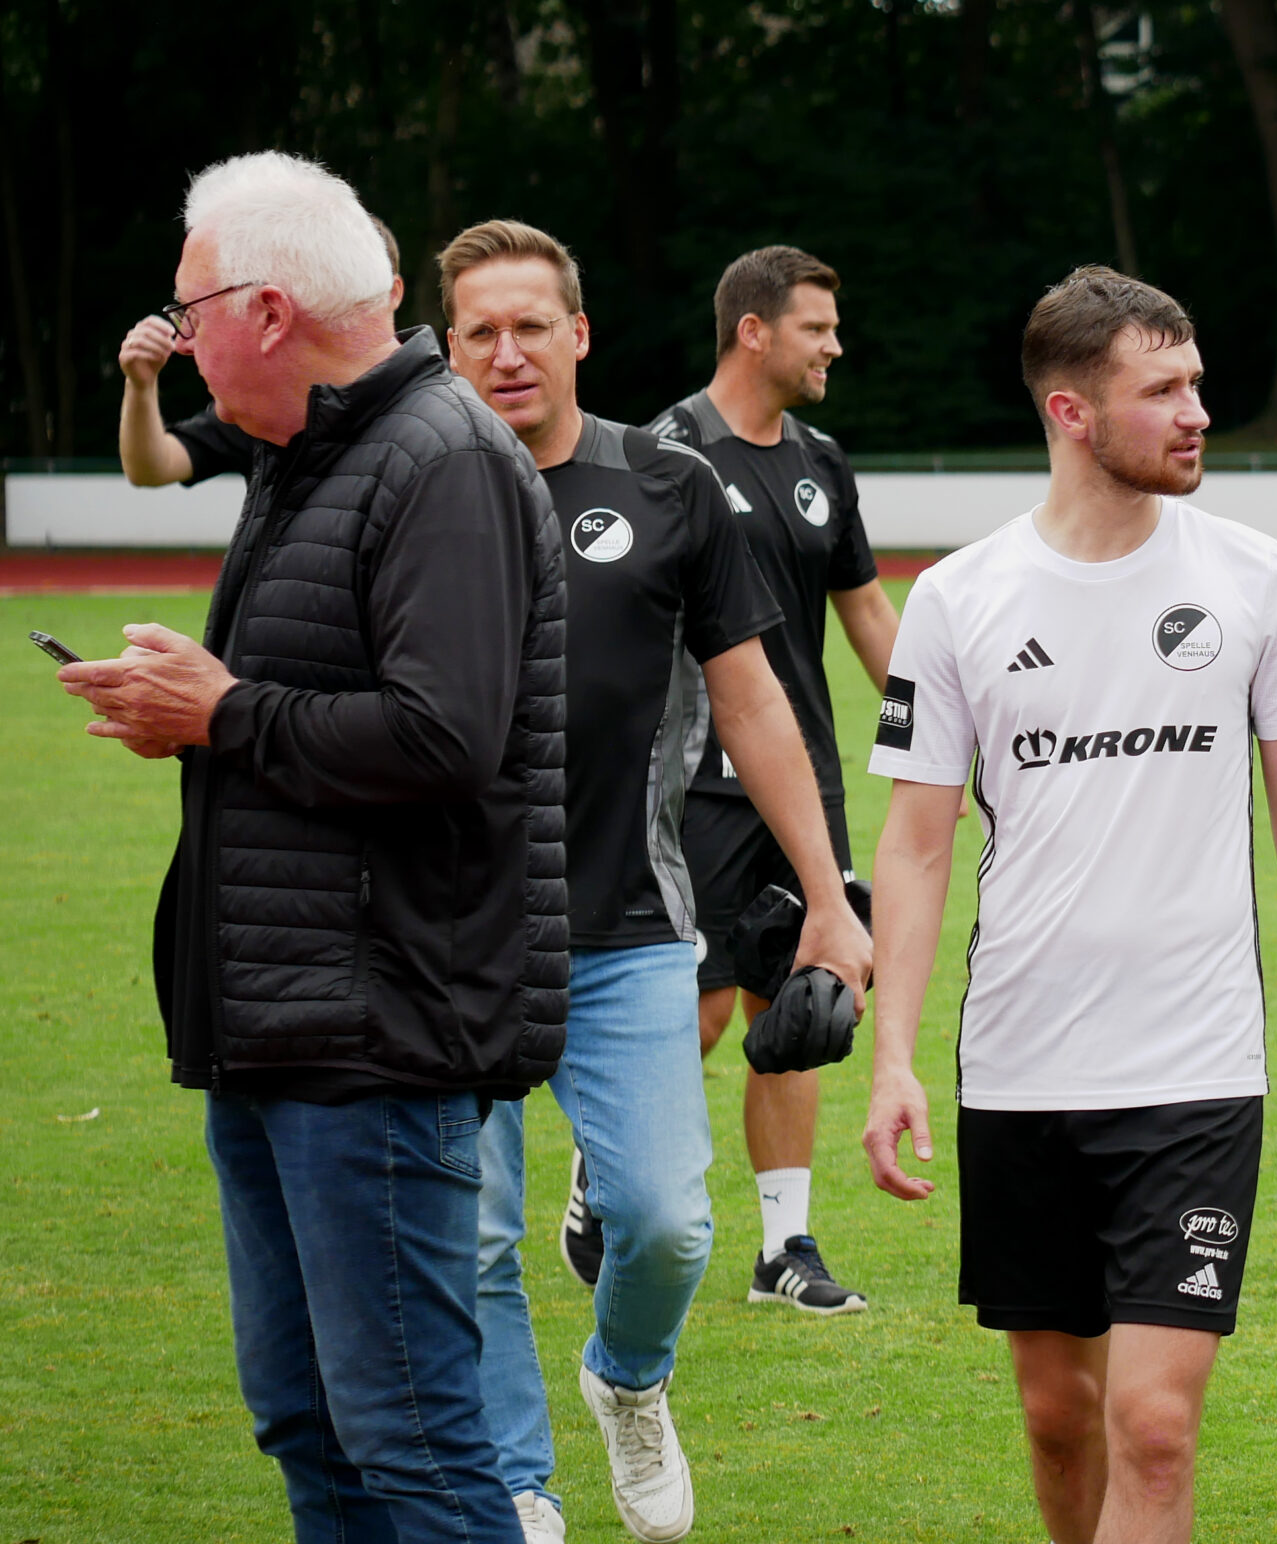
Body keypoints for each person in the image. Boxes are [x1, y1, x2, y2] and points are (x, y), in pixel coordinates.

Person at [59, 152, 563, 1543]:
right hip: (286, 1026)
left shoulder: (440, 459)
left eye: (191, 304)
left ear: (267, 310)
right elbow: (325, 716)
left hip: (374, 1035)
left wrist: (225, 713)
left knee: (409, 1442)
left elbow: (446, 738)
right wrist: (196, 720)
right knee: (313, 1425)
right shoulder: (317, 455)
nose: (179, 332)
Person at [861, 265, 1277, 1544]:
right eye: (1164, 390)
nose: (1198, 411)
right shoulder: (958, 599)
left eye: (1197, 381)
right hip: (1020, 1067)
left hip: (1194, 1068)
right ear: (1071, 413)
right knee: (1058, 1415)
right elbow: (915, 848)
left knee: (1154, 1421)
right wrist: (894, 1058)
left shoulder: (1258, 579)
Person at [441, 220, 873, 1543]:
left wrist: (831, 897)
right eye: (479, 333)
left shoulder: (669, 484)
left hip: (631, 926)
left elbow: (752, 705)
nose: (507, 352)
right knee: (475, 1245)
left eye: (531, 326)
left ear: (579, 334)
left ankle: (628, 1383)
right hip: (446, 936)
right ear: (447, 350)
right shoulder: (413, 488)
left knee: (667, 1225)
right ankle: (517, 1480)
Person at [633, 246, 899, 1315]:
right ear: (754, 330)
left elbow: (869, 615)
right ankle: (611, 1184)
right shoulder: (661, 452)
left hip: (800, 782)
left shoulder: (822, 461)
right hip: (689, 784)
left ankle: (783, 1245)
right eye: (816, 327)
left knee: (801, 1009)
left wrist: (952, 732)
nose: (835, 344)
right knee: (686, 1014)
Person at [117, 215, 406, 489]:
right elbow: (152, 468)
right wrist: (140, 385)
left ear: (394, 292)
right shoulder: (270, 403)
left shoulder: (425, 409)